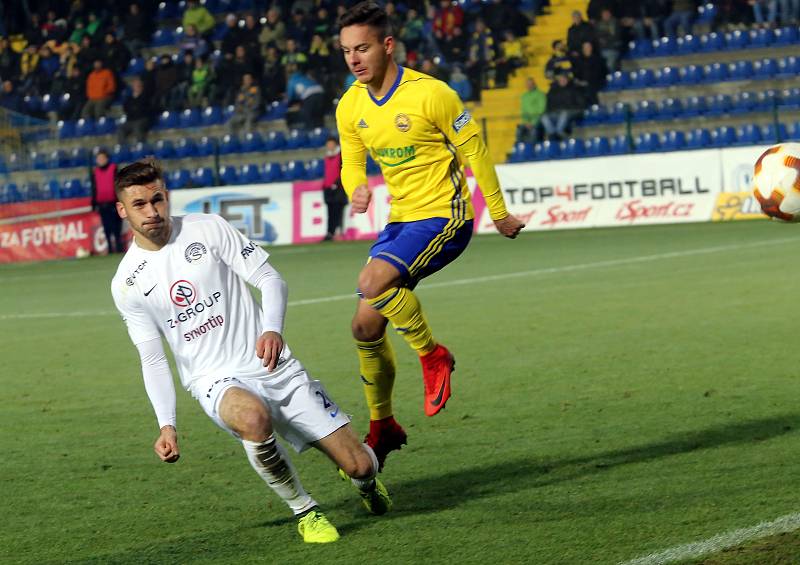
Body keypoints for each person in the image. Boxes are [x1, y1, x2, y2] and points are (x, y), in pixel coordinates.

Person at [109, 158, 392, 544]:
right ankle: (305, 511)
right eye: (139, 204)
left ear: (167, 196)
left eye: (157, 199)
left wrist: (272, 328)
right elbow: (153, 357)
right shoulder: (127, 282)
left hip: (273, 366)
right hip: (214, 380)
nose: (152, 211)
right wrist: (167, 424)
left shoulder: (207, 228)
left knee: (360, 465)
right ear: (122, 210)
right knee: (253, 417)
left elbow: (269, 279)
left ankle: (365, 482)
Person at [336, 2, 525, 469]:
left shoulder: (432, 94)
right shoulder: (351, 105)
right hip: (402, 222)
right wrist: (355, 188)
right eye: (345, 51)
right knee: (364, 326)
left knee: (370, 285)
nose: (354, 59)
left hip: (446, 217)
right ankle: (383, 424)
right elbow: (351, 164)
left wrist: (498, 212)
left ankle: (433, 355)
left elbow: (475, 150)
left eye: (362, 48)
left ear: (386, 45)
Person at [91, 149, 123, 253]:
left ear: (107, 159)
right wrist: (94, 202)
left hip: (114, 203)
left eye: (102, 158)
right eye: (98, 158)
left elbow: (119, 184)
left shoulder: (114, 168)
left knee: (116, 228)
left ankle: (119, 248)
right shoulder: (95, 172)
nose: (100, 160)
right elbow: (94, 188)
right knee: (107, 228)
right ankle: (110, 249)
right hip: (102, 205)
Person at [322, 136, 347, 242]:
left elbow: (343, 170)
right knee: (330, 212)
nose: (329, 146)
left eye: (331, 144)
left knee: (338, 211)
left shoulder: (341, 155)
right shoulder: (327, 157)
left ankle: (338, 233)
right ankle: (330, 233)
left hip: (338, 189)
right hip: (328, 189)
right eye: (328, 144)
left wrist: (336, 184)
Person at [118, 77, 152, 144]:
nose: (137, 87)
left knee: (137, 127)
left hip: (141, 119)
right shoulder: (129, 99)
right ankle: (123, 147)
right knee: (121, 128)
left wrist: (134, 109)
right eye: (136, 85)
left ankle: (141, 145)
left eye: (139, 85)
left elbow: (143, 109)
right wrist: (134, 109)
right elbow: (126, 109)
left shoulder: (145, 97)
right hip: (130, 120)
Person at [517, 77, 546, 144]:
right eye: (527, 84)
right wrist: (526, 122)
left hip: (538, 120)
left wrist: (533, 123)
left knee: (533, 131)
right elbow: (523, 111)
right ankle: (520, 149)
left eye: (531, 84)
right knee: (519, 130)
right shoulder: (524, 96)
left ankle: (532, 149)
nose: (529, 86)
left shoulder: (540, 94)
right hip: (526, 121)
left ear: (534, 84)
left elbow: (541, 110)